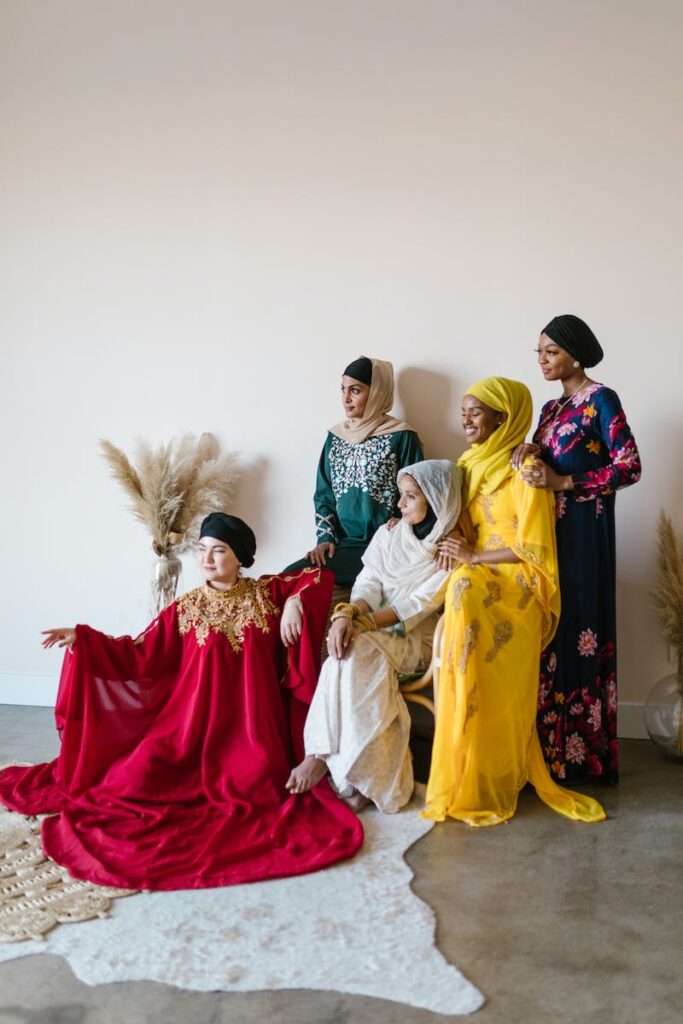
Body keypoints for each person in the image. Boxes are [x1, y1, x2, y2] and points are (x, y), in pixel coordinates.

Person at [0, 513, 363, 890]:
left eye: (218, 550)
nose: (207, 559)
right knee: (129, 782)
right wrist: (85, 640)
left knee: (251, 792)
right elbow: (137, 653)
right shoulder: (185, 608)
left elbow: (318, 576)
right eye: (202, 550)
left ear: (240, 558)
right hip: (184, 732)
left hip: (250, 738)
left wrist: (294, 604)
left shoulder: (268, 595)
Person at [424, 377, 606, 827]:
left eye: (476, 412)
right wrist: (450, 542)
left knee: (465, 585)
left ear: (503, 419)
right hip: (478, 571)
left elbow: (533, 547)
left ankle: (490, 772)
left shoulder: (524, 468)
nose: (465, 420)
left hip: (517, 579)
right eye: (463, 411)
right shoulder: (468, 465)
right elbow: (461, 526)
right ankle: (465, 767)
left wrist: (472, 556)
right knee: (462, 586)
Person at [286, 460, 462, 813]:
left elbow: (419, 604)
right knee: (348, 649)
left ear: (435, 500)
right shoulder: (390, 533)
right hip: (372, 631)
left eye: (411, 497)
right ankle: (355, 773)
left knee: (357, 648)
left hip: (416, 640)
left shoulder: (448, 553)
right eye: (402, 495)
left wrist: (362, 624)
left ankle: (326, 757)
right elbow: (369, 581)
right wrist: (347, 615)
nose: (400, 504)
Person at [512, 315, 641, 785]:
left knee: (581, 629)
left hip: (586, 535)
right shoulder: (550, 409)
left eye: (551, 352)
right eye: (539, 352)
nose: (542, 360)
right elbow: (548, 458)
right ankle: (549, 752)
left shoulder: (602, 400)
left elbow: (628, 466)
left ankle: (585, 756)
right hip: (549, 536)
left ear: (575, 354)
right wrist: (527, 453)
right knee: (553, 631)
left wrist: (565, 481)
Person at [284, 357, 423, 588]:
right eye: (343, 390)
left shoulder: (401, 436)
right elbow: (324, 494)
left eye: (355, 391)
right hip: (343, 546)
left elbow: (419, 493)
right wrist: (325, 538)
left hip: (386, 546)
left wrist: (401, 522)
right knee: (286, 581)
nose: (346, 400)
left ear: (377, 392)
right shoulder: (335, 438)